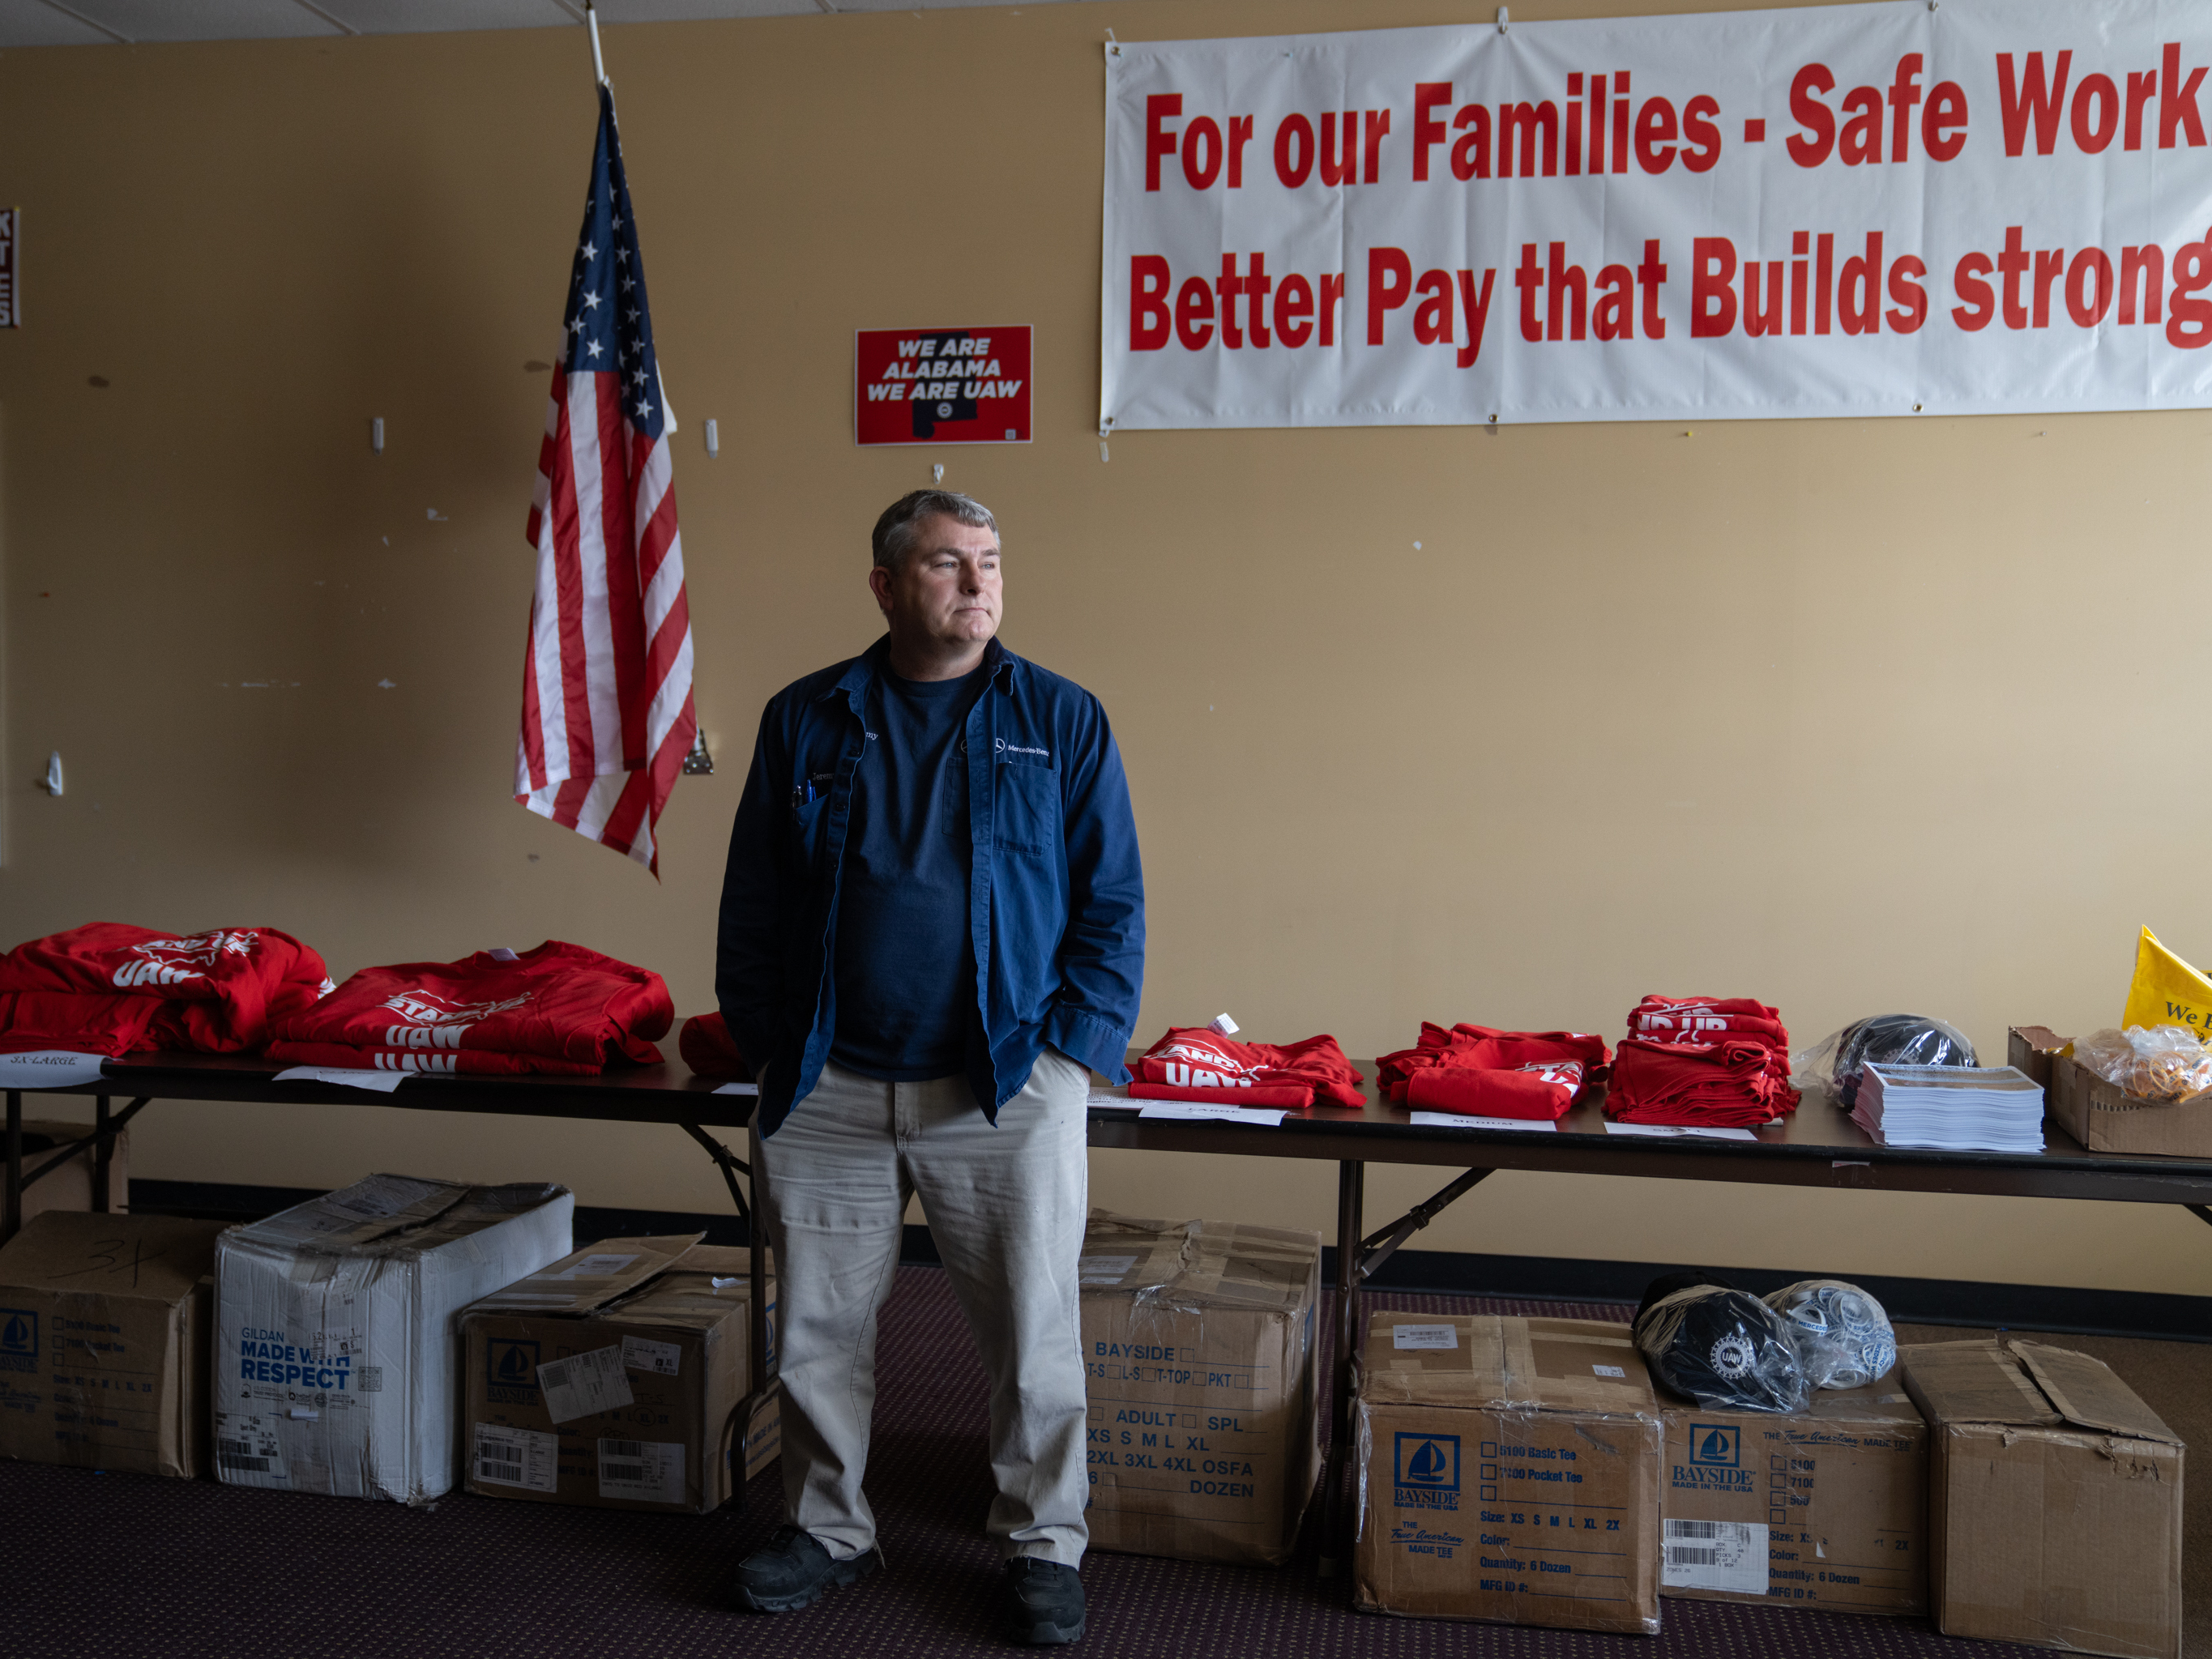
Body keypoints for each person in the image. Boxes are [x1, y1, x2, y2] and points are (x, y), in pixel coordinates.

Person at [715, 489, 1145, 1646]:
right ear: (886, 585)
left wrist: (1069, 1059)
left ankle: (1042, 1542)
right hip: (828, 1083)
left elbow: (1111, 906)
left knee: (1031, 1331)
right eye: (950, 564)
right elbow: (753, 900)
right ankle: (826, 1529)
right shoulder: (806, 717)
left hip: (1002, 1083)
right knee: (814, 1330)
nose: (978, 585)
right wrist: (767, 1046)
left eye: (992, 563)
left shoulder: (1058, 718)